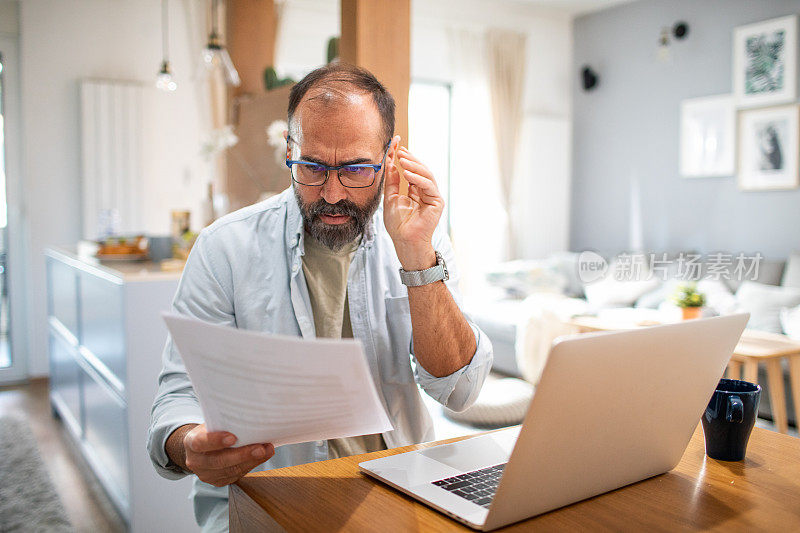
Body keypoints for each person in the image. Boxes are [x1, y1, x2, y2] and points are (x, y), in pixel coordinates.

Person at [147, 62, 492, 532]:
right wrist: (189, 445)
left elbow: (459, 390)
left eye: (354, 169)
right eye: (311, 166)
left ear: (391, 156)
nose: (332, 192)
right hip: (266, 501)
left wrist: (416, 257)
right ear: (290, 150)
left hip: (396, 495)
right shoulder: (224, 247)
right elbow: (177, 396)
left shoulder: (417, 236)